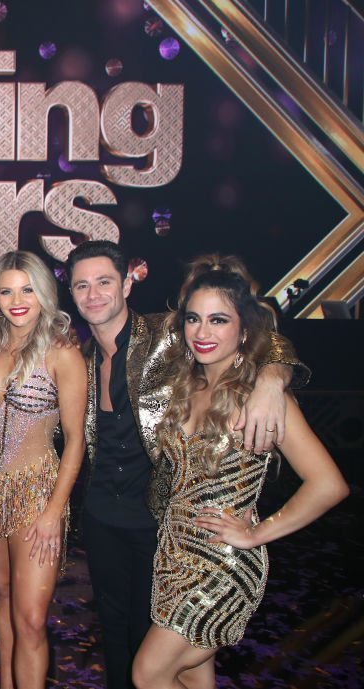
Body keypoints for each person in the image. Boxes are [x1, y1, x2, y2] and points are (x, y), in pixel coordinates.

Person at [64, 240, 309, 689]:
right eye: (82, 285)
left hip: (158, 522)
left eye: (103, 281)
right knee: (118, 638)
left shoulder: (170, 334)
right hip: (101, 518)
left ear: (127, 283)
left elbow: (259, 333)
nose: (93, 294)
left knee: (153, 655)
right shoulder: (78, 358)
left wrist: (273, 379)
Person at [131, 256, 348, 688]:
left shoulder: (262, 398)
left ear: (244, 330)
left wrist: (257, 533)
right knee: (192, 675)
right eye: (194, 319)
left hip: (222, 564)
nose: (203, 332)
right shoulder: (185, 385)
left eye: (218, 320)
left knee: (148, 673)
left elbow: (329, 484)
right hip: (174, 558)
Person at [0, 251, 87, 689]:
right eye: (6, 290)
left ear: (44, 294)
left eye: (27, 289)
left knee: (31, 618)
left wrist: (54, 511)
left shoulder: (63, 352)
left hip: (36, 494)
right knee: (1, 594)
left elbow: (76, 440)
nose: (17, 300)